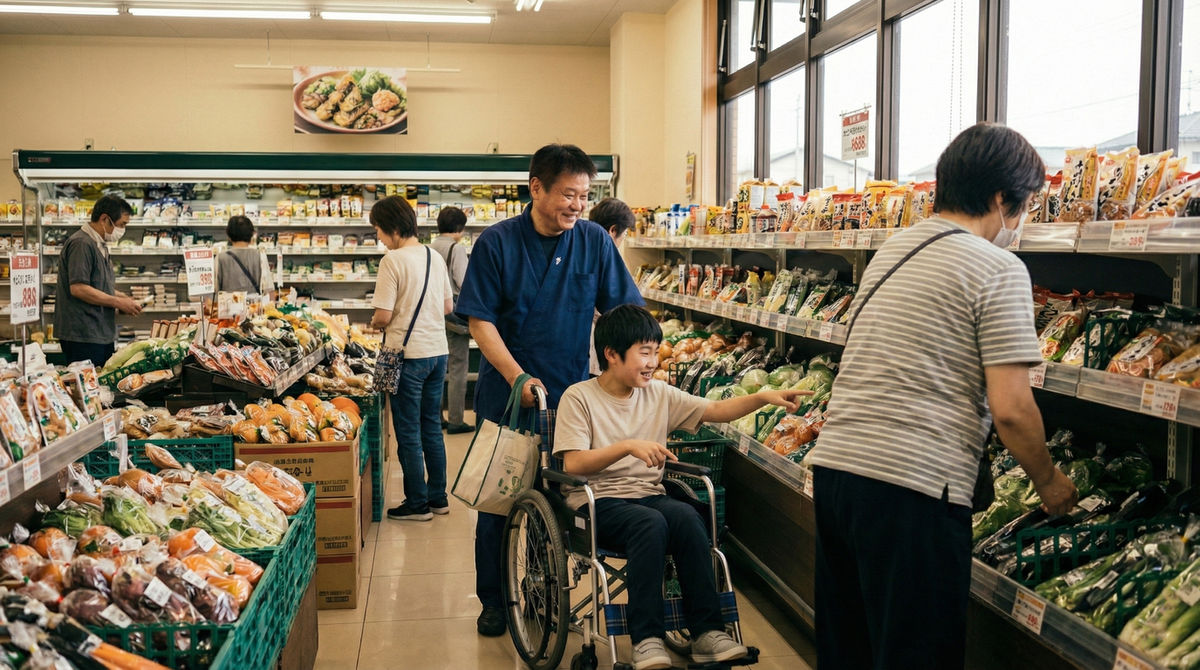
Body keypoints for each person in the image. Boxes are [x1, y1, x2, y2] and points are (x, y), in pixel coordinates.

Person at [808, 122, 1079, 669]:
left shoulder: (894, 248)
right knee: (916, 656)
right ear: (1002, 199)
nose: (1019, 223)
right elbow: (1011, 407)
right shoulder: (999, 267)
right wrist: (1049, 481)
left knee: (850, 649)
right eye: (1023, 207)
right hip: (912, 490)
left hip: (837, 474)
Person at [455, 144, 644, 637]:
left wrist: (640, 362)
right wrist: (516, 375)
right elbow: (480, 320)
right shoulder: (496, 243)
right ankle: (494, 599)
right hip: (506, 393)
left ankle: (539, 591)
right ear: (535, 187)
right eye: (568, 194)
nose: (577, 205)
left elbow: (624, 314)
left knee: (557, 503)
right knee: (499, 502)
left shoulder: (594, 244)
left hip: (570, 399)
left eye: (584, 195)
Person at [555, 304, 808, 670]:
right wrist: (628, 446)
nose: (653, 361)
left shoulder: (658, 394)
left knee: (687, 516)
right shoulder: (579, 398)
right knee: (650, 524)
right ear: (611, 354)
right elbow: (574, 463)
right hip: (597, 501)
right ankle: (646, 638)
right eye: (644, 352)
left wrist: (762, 398)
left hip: (647, 497)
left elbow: (716, 410)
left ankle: (706, 633)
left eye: (655, 352)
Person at [369, 195, 455, 522]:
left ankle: (417, 503)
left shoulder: (392, 261)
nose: (378, 237)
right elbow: (447, 307)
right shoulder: (434, 255)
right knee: (431, 426)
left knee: (407, 430)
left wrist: (377, 323)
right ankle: (438, 497)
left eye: (378, 229)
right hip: (438, 353)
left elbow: (383, 314)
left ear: (391, 227)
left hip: (408, 356)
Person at [55, 195, 143, 366]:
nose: (123, 230)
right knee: (89, 388)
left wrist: (123, 298)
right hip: (83, 335)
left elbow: (98, 284)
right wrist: (118, 302)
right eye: (122, 224)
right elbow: (79, 288)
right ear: (104, 219)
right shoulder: (82, 243)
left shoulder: (98, 244)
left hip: (98, 332)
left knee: (101, 386)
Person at [429, 206, 473, 435]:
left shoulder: (429, 248)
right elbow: (464, 283)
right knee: (458, 369)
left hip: (434, 317)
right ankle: (456, 419)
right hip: (454, 318)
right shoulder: (456, 249)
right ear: (460, 228)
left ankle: (436, 419)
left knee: (438, 369)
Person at [586, 197, 636, 377]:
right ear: (613, 230)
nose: (623, 239)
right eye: (624, 234)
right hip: (597, 350)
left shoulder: (578, 249)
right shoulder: (606, 260)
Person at [215, 215, 276, 297]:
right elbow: (268, 289)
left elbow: (214, 291)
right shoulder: (260, 256)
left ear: (229, 236)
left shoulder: (220, 258)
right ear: (251, 236)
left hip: (227, 307)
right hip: (254, 307)